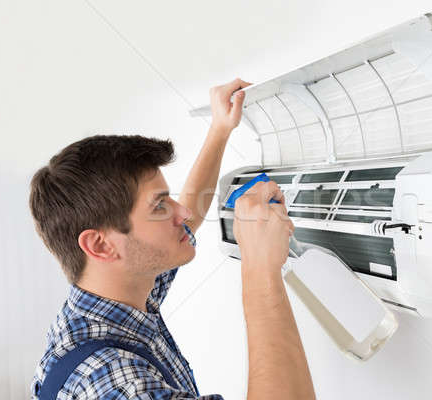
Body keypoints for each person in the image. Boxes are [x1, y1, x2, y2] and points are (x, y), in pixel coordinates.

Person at [29, 78, 316, 399]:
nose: (181, 213)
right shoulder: (116, 383)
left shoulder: (113, 293)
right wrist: (261, 268)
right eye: (160, 205)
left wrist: (220, 130)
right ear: (101, 245)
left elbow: (187, 213)